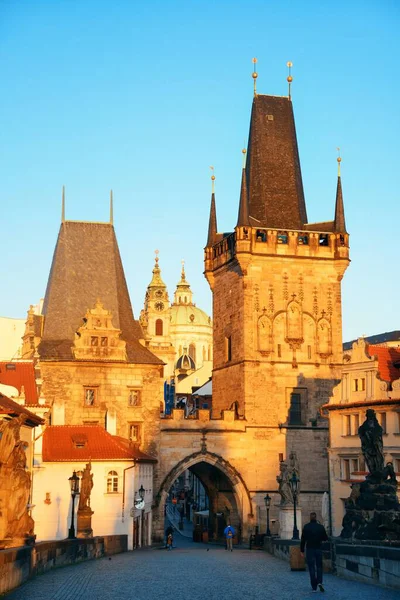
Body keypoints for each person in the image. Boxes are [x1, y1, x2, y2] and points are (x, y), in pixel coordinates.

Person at [300, 512, 328, 593]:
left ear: (310, 518)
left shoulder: (306, 527)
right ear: (316, 518)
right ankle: (320, 582)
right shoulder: (320, 527)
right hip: (318, 548)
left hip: (310, 549)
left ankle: (314, 587)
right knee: (319, 566)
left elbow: (303, 540)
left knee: (311, 567)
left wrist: (302, 550)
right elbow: (325, 538)